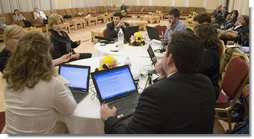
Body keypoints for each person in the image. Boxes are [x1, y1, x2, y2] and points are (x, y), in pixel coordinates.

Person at [100, 31, 215, 134]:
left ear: (169, 58)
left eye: (166, 53)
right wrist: (166, 74)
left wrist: (109, 119)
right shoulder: (205, 82)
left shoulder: (155, 93)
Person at [1, 32, 77, 134]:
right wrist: (56, 75)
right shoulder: (52, 83)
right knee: (66, 126)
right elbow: (70, 109)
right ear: (45, 56)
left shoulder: (10, 78)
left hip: (8, 133)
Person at [0, 25, 75, 72]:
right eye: (18, 38)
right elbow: (30, 71)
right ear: (7, 39)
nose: (22, 41)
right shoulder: (3, 59)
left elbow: (38, 65)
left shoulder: (23, 51)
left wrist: (60, 60)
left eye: (23, 38)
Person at [194, 23, 220, 100]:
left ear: (203, 37)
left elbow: (194, 72)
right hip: (204, 85)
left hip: (208, 90)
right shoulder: (208, 49)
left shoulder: (209, 54)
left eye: (196, 36)